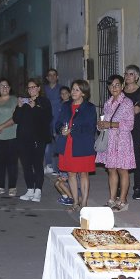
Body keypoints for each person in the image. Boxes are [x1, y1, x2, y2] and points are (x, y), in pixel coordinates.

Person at [55, 80, 96, 211]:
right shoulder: (66, 105)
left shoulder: (89, 107)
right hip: (67, 145)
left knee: (83, 174)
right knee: (71, 174)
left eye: (77, 90)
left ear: (83, 93)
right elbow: (58, 122)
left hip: (82, 144)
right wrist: (61, 129)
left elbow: (90, 128)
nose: (73, 92)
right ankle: (75, 202)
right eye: (72, 89)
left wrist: (71, 130)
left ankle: (84, 203)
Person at [96, 74, 135, 212]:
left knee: (122, 170)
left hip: (122, 140)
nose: (114, 87)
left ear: (122, 86)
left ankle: (123, 201)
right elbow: (104, 121)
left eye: (117, 85)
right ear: (108, 87)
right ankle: (112, 199)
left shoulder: (127, 103)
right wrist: (100, 125)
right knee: (111, 169)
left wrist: (110, 124)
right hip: (110, 140)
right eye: (111, 85)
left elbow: (129, 125)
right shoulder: (108, 103)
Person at [13, 79, 52, 202]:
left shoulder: (44, 102)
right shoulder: (24, 102)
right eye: (29, 88)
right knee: (26, 165)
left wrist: (35, 108)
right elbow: (16, 119)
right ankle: (30, 189)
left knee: (37, 164)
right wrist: (19, 107)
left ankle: (38, 190)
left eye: (33, 87)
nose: (31, 90)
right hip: (23, 139)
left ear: (39, 88)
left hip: (38, 139)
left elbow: (46, 119)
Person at [122, 66, 140, 201]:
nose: (127, 76)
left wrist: (122, 111)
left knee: (136, 156)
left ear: (136, 77)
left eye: (131, 74)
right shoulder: (120, 91)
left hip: (136, 127)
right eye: (126, 74)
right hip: (121, 128)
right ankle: (120, 186)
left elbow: (136, 110)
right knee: (121, 156)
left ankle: (138, 188)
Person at [43, 68, 62, 173]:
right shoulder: (43, 90)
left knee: (59, 144)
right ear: (47, 78)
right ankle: (49, 165)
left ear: (57, 77)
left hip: (58, 120)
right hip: (46, 121)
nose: (52, 77)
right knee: (47, 144)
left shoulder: (61, 90)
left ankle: (59, 168)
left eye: (54, 75)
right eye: (49, 75)